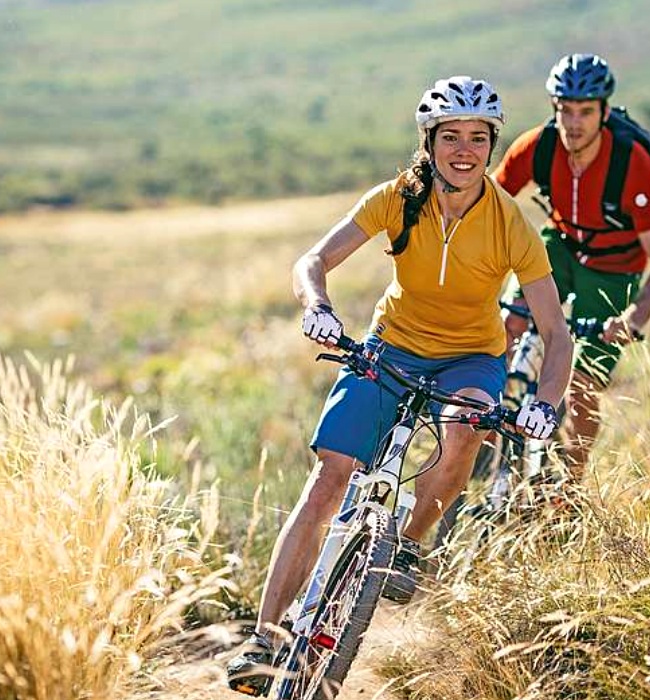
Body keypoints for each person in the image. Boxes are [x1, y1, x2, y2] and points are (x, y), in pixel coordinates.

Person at [225, 75, 574, 695]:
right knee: (329, 480)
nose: (463, 150)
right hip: (391, 346)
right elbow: (313, 261)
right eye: (450, 137)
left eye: (476, 138)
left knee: (468, 422)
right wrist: (317, 306)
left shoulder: (510, 223)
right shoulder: (396, 198)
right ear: (429, 141)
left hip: (472, 356)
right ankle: (267, 637)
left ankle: (408, 545)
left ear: (491, 146)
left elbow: (555, 332)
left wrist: (546, 403)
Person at [493, 53, 650, 484]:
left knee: (583, 382)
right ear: (554, 108)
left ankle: (568, 490)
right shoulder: (537, 147)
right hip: (558, 247)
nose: (573, 123)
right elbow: (487, 206)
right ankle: (482, 439)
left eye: (585, 112)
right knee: (506, 324)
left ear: (604, 111)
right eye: (565, 110)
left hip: (613, 268)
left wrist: (633, 319)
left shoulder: (629, 162)